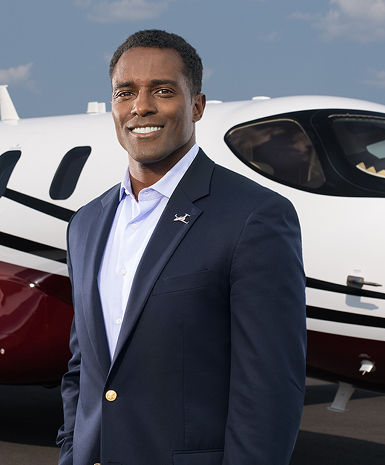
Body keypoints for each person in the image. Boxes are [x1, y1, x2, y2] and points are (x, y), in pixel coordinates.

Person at [57, 29, 307, 465]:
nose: (141, 107)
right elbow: (84, 369)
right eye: (125, 92)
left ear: (197, 105)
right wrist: (70, 452)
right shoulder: (86, 224)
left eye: (164, 90)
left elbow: (269, 389)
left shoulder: (255, 216)